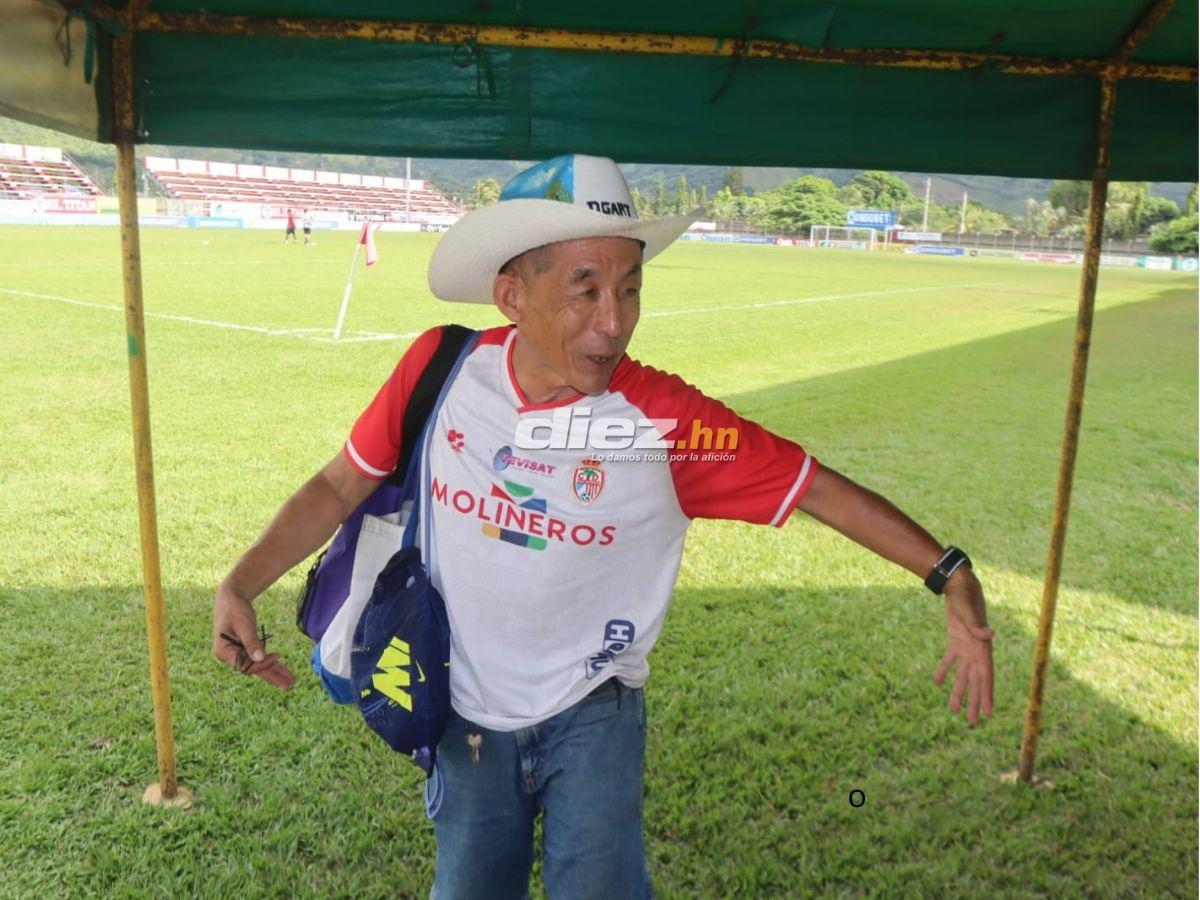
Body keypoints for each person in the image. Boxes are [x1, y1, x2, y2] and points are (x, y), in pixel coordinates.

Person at [213, 154, 994, 899]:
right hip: (462, 710)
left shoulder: (666, 422)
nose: (614, 322)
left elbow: (816, 489)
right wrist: (241, 584)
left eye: (629, 289)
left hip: (595, 713)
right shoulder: (442, 371)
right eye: (584, 291)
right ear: (512, 295)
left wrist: (950, 574)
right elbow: (338, 484)